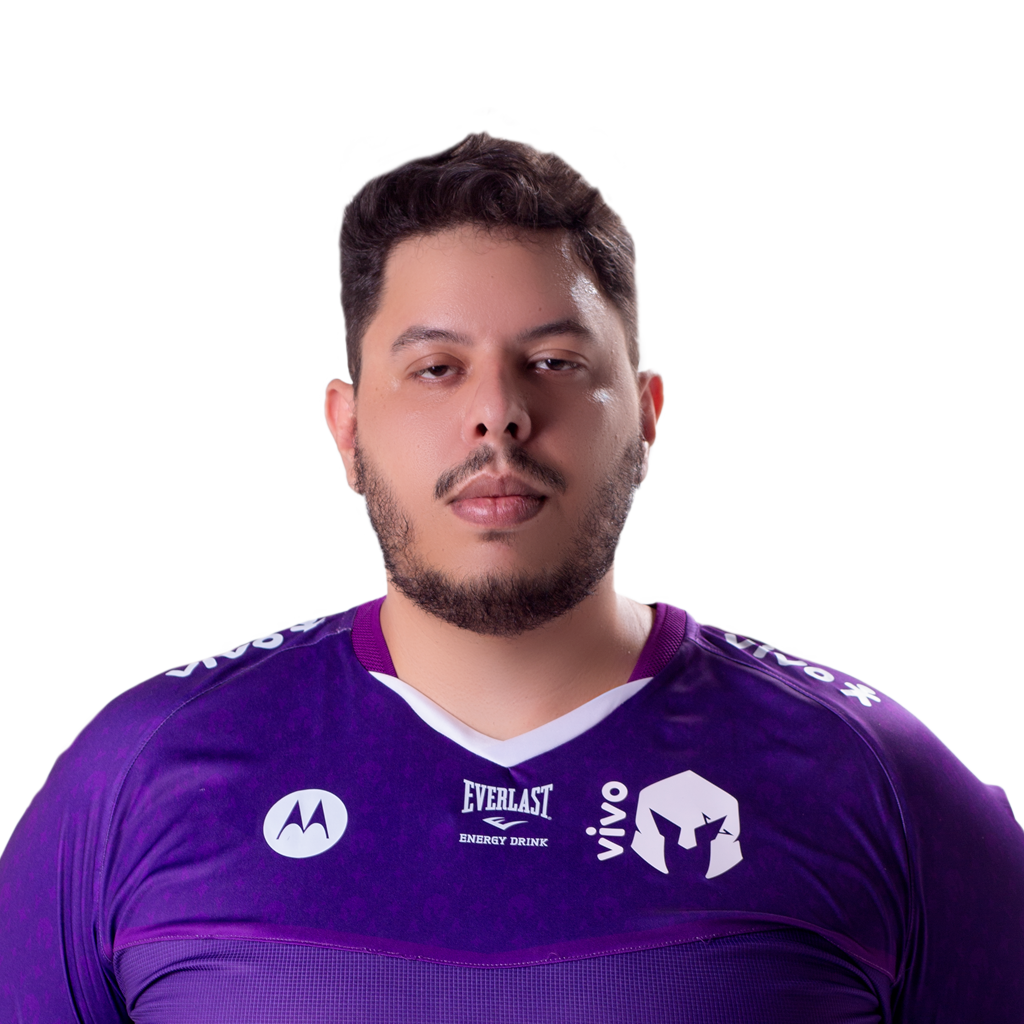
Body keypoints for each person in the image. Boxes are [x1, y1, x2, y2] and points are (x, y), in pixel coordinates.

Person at [1, 101, 1022, 1024]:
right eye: (435, 368)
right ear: (347, 429)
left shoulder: (871, 780)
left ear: (646, 416)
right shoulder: (136, 775)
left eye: (553, 362)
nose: (498, 412)